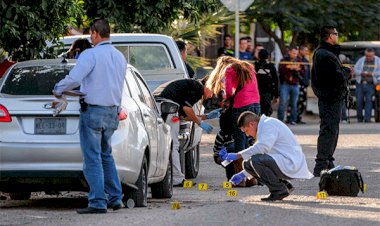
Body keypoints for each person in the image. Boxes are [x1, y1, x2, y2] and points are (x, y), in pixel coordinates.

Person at [53, 19, 126, 214]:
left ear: (94, 33)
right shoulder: (120, 57)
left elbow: (75, 78)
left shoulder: (90, 54)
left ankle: (97, 202)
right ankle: (116, 198)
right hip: (112, 111)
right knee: (106, 155)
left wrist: (58, 89)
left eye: (90, 34)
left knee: (92, 158)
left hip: (93, 111)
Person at [219, 111, 313, 201]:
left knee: (255, 160)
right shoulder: (264, 126)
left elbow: (261, 148)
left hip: (290, 163)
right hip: (284, 161)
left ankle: (279, 190)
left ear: (251, 124)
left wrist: (237, 155)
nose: (247, 135)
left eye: (246, 131)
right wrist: (243, 174)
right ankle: (284, 185)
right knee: (247, 164)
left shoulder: (268, 125)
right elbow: (262, 159)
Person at [208, 56, 260, 186]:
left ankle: (240, 178)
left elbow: (229, 91)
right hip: (255, 103)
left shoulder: (229, 69)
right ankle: (252, 177)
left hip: (241, 105)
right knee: (251, 139)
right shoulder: (248, 66)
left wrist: (226, 99)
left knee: (239, 140)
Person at [153, 78, 216, 187]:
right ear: (208, 86)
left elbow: (184, 116)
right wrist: (200, 123)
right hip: (167, 108)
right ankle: (177, 179)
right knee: (172, 145)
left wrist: (205, 117)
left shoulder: (188, 88)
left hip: (163, 106)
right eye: (213, 92)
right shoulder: (197, 88)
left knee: (165, 145)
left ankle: (169, 177)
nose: (211, 96)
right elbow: (187, 109)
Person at [311, 26, 352, 177]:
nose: (337, 35)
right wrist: (347, 72)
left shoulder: (328, 53)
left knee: (333, 130)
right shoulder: (324, 54)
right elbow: (334, 77)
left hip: (333, 98)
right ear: (329, 36)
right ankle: (321, 164)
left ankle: (328, 161)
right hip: (329, 98)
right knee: (328, 130)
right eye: (335, 33)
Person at [277, 46, 305, 125]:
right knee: (282, 102)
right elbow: (280, 70)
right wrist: (289, 67)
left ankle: (293, 120)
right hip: (285, 84)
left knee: (294, 103)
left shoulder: (299, 60)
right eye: (293, 53)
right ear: (289, 52)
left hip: (295, 84)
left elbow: (303, 72)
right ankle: (280, 120)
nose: (295, 55)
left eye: (296, 53)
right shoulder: (284, 60)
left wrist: (298, 69)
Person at [354, 48, 380, 123]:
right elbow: (355, 69)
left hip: (370, 85)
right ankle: (359, 118)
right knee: (359, 101)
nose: (368, 57)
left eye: (370, 56)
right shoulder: (361, 60)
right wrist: (361, 73)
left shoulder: (378, 61)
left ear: (373, 55)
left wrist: (371, 74)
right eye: (367, 56)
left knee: (369, 101)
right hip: (360, 84)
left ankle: (367, 119)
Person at [254, 48, 279, 116]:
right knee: (266, 112)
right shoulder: (271, 66)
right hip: (267, 93)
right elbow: (276, 81)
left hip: (256, 92)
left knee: (257, 111)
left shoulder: (255, 66)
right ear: (267, 56)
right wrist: (276, 95)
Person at [296, 45, 311, 124]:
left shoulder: (306, 60)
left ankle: (299, 118)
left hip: (304, 84)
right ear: (300, 51)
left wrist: (308, 80)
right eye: (305, 50)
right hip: (298, 84)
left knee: (302, 102)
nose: (306, 52)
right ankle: (293, 118)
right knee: (297, 102)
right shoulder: (297, 60)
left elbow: (308, 72)